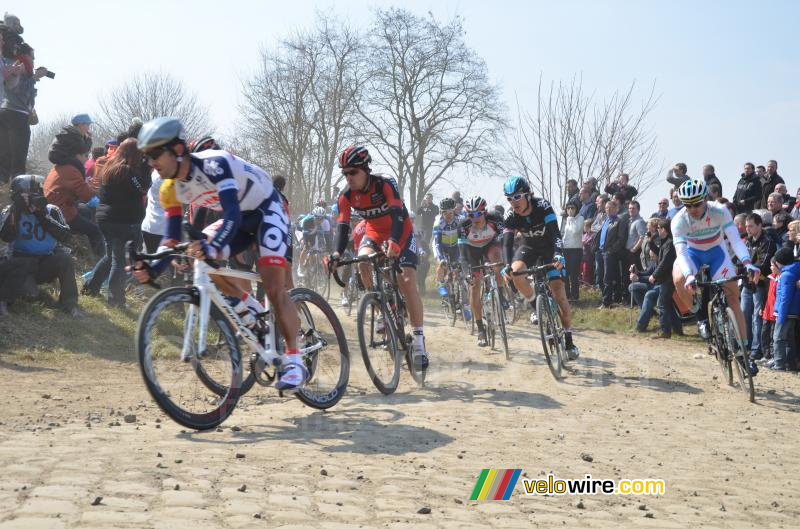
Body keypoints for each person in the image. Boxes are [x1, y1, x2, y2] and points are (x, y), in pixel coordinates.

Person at [130, 117, 305, 391]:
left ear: (177, 149)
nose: (150, 162)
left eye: (154, 154)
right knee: (204, 257)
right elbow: (171, 238)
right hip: (239, 218)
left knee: (273, 286)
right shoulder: (169, 188)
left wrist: (212, 247)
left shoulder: (214, 164)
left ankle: (295, 360)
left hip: (265, 210)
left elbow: (232, 215)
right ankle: (251, 310)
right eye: (146, 157)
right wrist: (154, 267)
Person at [330, 146, 428, 368]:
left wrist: (394, 241)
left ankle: (420, 342)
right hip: (373, 233)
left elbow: (397, 214)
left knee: (407, 281)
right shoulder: (346, 195)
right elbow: (342, 227)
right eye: (345, 173)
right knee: (362, 261)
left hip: (400, 231)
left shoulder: (384, 183)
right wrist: (336, 253)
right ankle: (382, 311)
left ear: (365, 169)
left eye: (353, 172)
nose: (348, 177)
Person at [671, 180, 760, 374]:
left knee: (733, 297)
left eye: (697, 203)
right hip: (693, 254)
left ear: (705, 199)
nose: (693, 209)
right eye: (688, 205)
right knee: (678, 277)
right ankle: (700, 316)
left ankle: (744, 353)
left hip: (718, 254)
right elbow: (681, 253)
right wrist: (688, 276)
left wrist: (747, 262)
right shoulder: (678, 220)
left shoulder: (719, 211)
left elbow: (735, 240)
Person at [501, 175, 579, 359]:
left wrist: (558, 253)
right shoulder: (510, 215)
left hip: (550, 249)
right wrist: (506, 265)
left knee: (559, 293)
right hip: (528, 248)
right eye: (510, 198)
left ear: (528, 194)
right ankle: (536, 304)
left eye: (517, 196)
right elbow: (506, 244)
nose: (514, 202)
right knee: (515, 272)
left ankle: (568, 339)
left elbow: (555, 233)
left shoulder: (542, 206)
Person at [81, 138, 151, 307]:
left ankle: (90, 287)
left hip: (106, 218)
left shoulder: (110, 166)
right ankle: (116, 301)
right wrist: (147, 168)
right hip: (121, 221)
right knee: (119, 261)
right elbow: (143, 188)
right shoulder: (127, 170)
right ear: (135, 154)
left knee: (111, 257)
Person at [0, 175, 78, 316]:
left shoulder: (51, 210)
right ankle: (8, 298)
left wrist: (41, 215)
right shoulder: (11, 210)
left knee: (65, 259)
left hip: (44, 262)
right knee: (31, 294)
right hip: (19, 263)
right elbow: (6, 236)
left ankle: (70, 305)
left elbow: (66, 236)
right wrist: (16, 210)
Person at [43, 126, 103, 257]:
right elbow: (87, 195)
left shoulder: (62, 166)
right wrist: (102, 194)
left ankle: (83, 246)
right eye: (85, 155)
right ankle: (102, 260)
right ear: (76, 155)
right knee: (95, 231)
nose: (87, 159)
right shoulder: (72, 170)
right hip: (60, 213)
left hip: (57, 207)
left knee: (86, 212)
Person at [458, 196, 506, 347]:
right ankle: (480, 329)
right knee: (474, 286)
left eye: (478, 214)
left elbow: (505, 241)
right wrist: (467, 272)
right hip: (472, 252)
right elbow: (463, 254)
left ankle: (501, 294)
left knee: (497, 261)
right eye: (471, 215)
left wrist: (507, 261)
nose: (475, 218)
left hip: (490, 246)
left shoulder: (495, 219)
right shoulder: (463, 226)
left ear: (485, 212)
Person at [0, 42, 47, 183]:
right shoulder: (17, 68)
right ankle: (17, 187)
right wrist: (33, 78)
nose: (33, 61)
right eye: (32, 58)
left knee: (7, 153)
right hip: (15, 114)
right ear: (25, 56)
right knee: (18, 156)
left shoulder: (20, 71)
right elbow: (16, 89)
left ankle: (5, 182)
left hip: (9, 113)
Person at [740, 213, 776, 359]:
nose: (747, 229)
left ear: (760, 225)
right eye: (746, 226)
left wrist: (748, 267)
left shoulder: (767, 242)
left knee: (757, 316)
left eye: (751, 226)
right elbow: (738, 259)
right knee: (743, 313)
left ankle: (756, 349)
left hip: (760, 284)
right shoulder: (746, 241)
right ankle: (746, 345)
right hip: (746, 283)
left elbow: (764, 263)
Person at [768, 247, 800, 371]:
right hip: (792, 313)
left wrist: (780, 316)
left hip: (785, 313)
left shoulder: (786, 275)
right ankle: (790, 363)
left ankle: (779, 363)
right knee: (790, 339)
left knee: (778, 337)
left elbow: (785, 298)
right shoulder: (793, 272)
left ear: (780, 262)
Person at [650, 219, 682, 338]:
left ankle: (665, 330)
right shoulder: (666, 243)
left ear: (664, 229)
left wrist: (654, 275)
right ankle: (677, 328)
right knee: (668, 304)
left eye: (658, 228)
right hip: (666, 278)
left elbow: (665, 262)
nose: (657, 230)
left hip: (668, 278)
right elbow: (660, 254)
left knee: (662, 304)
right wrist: (650, 243)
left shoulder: (669, 243)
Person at [433, 197, 461, 296]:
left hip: (455, 246)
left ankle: (459, 292)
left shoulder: (459, 220)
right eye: (445, 213)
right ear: (441, 212)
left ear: (454, 211)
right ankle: (440, 284)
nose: (448, 215)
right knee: (441, 264)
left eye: (450, 213)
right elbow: (437, 243)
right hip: (441, 246)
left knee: (457, 267)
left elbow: (463, 239)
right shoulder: (438, 223)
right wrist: (441, 258)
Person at [561, 203, 584, 301]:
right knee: (565, 273)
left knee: (574, 274)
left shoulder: (580, 218)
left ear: (576, 209)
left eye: (572, 208)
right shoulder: (565, 220)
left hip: (576, 249)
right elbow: (562, 233)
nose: (570, 210)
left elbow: (575, 231)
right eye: (568, 208)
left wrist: (570, 218)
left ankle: (575, 296)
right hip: (565, 249)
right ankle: (567, 295)